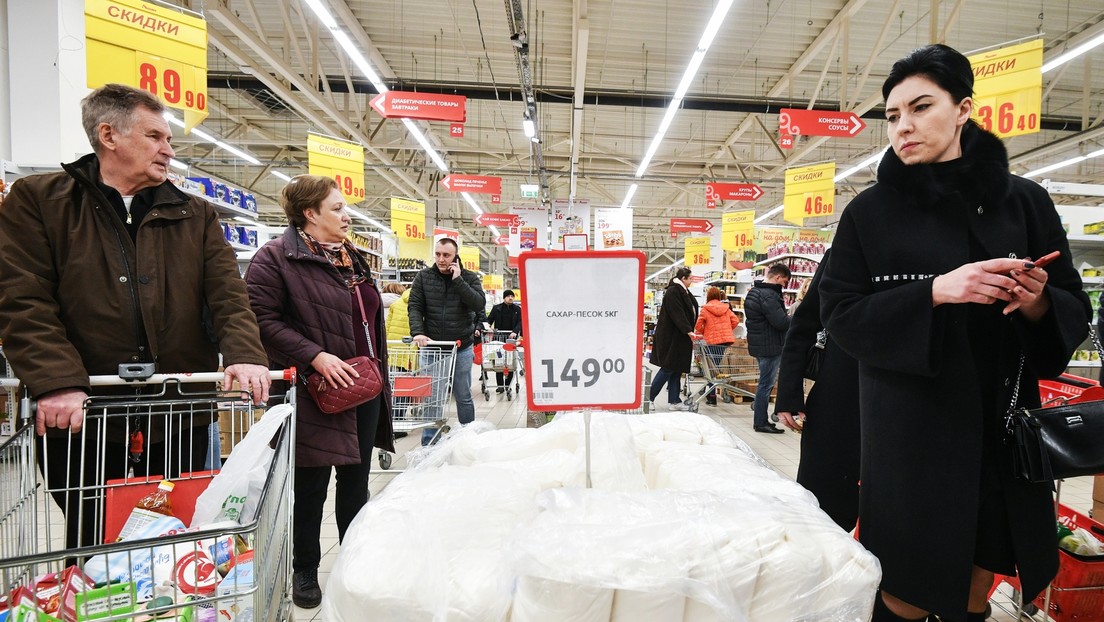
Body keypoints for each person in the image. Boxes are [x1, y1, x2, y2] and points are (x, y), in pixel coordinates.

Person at [819, 44, 1090, 622]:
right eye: (893, 116)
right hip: (910, 436)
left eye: (921, 107)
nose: (904, 126)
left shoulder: (1026, 202)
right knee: (905, 590)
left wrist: (1037, 300)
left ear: (964, 108)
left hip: (1003, 428)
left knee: (978, 580)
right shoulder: (869, 213)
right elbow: (839, 315)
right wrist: (935, 291)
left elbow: (1072, 305)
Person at [0, 84, 271, 552]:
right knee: (91, 527)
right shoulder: (39, 201)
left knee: (175, 527)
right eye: (155, 136)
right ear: (109, 135)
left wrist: (245, 354)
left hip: (176, 408)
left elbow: (228, 295)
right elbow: (22, 297)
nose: (168, 148)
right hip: (82, 411)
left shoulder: (195, 213)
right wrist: (56, 380)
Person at [245, 175, 394, 609]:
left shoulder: (352, 259)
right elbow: (262, 320)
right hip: (313, 390)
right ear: (309, 214)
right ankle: (305, 570)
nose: (347, 215)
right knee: (311, 485)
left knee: (357, 481)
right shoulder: (275, 259)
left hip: (361, 386)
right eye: (338, 208)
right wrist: (316, 356)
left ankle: (353, 563)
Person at [775, 250, 860, 531]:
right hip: (839, 392)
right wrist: (788, 393)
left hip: (912, 399)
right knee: (824, 506)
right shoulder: (847, 249)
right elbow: (806, 323)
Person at [408, 238, 486, 445]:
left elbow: (479, 303)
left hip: (461, 346)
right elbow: (415, 306)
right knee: (432, 396)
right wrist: (418, 332)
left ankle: (468, 440)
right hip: (432, 346)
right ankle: (429, 444)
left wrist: (458, 280)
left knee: (463, 394)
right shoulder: (424, 277)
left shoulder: (469, 277)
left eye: (446, 255)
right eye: (438, 254)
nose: (441, 259)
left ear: (455, 256)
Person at [744, 263, 791, 433]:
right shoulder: (768, 296)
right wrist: (794, 318)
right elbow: (780, 322)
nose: (784, 286)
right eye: (784, 282)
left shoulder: (755, 292)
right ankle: (761, 422)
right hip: (770, 346)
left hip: (760, 345)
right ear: (777, 277)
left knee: (764, 384)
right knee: (766, 385)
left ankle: (761, 419)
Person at [649, 267, 698, 411]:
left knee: (676, 369)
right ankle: (649, 398)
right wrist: (688, 330)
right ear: (683, 278)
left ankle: (674, 400)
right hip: (672, 337)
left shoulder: (683, 291)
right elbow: (677, 313)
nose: (692, 281)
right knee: (668, 368)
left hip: (680, 337)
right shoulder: (673, 291)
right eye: (690, 278)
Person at [694, 287, 740, 406]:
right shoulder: (726, 308)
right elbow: (735, 321)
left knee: (711, 369)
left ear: (708, 296)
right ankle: (710, 393)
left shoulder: (705, 309)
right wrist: (726, 330)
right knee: (714, 367)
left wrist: (706, 332)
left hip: (712, 341)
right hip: (724, 341)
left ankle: (712, 396)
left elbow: (698, 325)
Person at [486, 289, 523, 392]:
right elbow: (489, 319)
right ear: (504, 297)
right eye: (508, 296)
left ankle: (508, 385)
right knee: (498, 362)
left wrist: (515, 331)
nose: (510, 298)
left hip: (511, 339)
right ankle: (500, 386)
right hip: (498, 339)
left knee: (510, 362)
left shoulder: (517, 309)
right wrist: (487, 326)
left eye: (512, 296)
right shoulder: (496, 308)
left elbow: (520, 322)